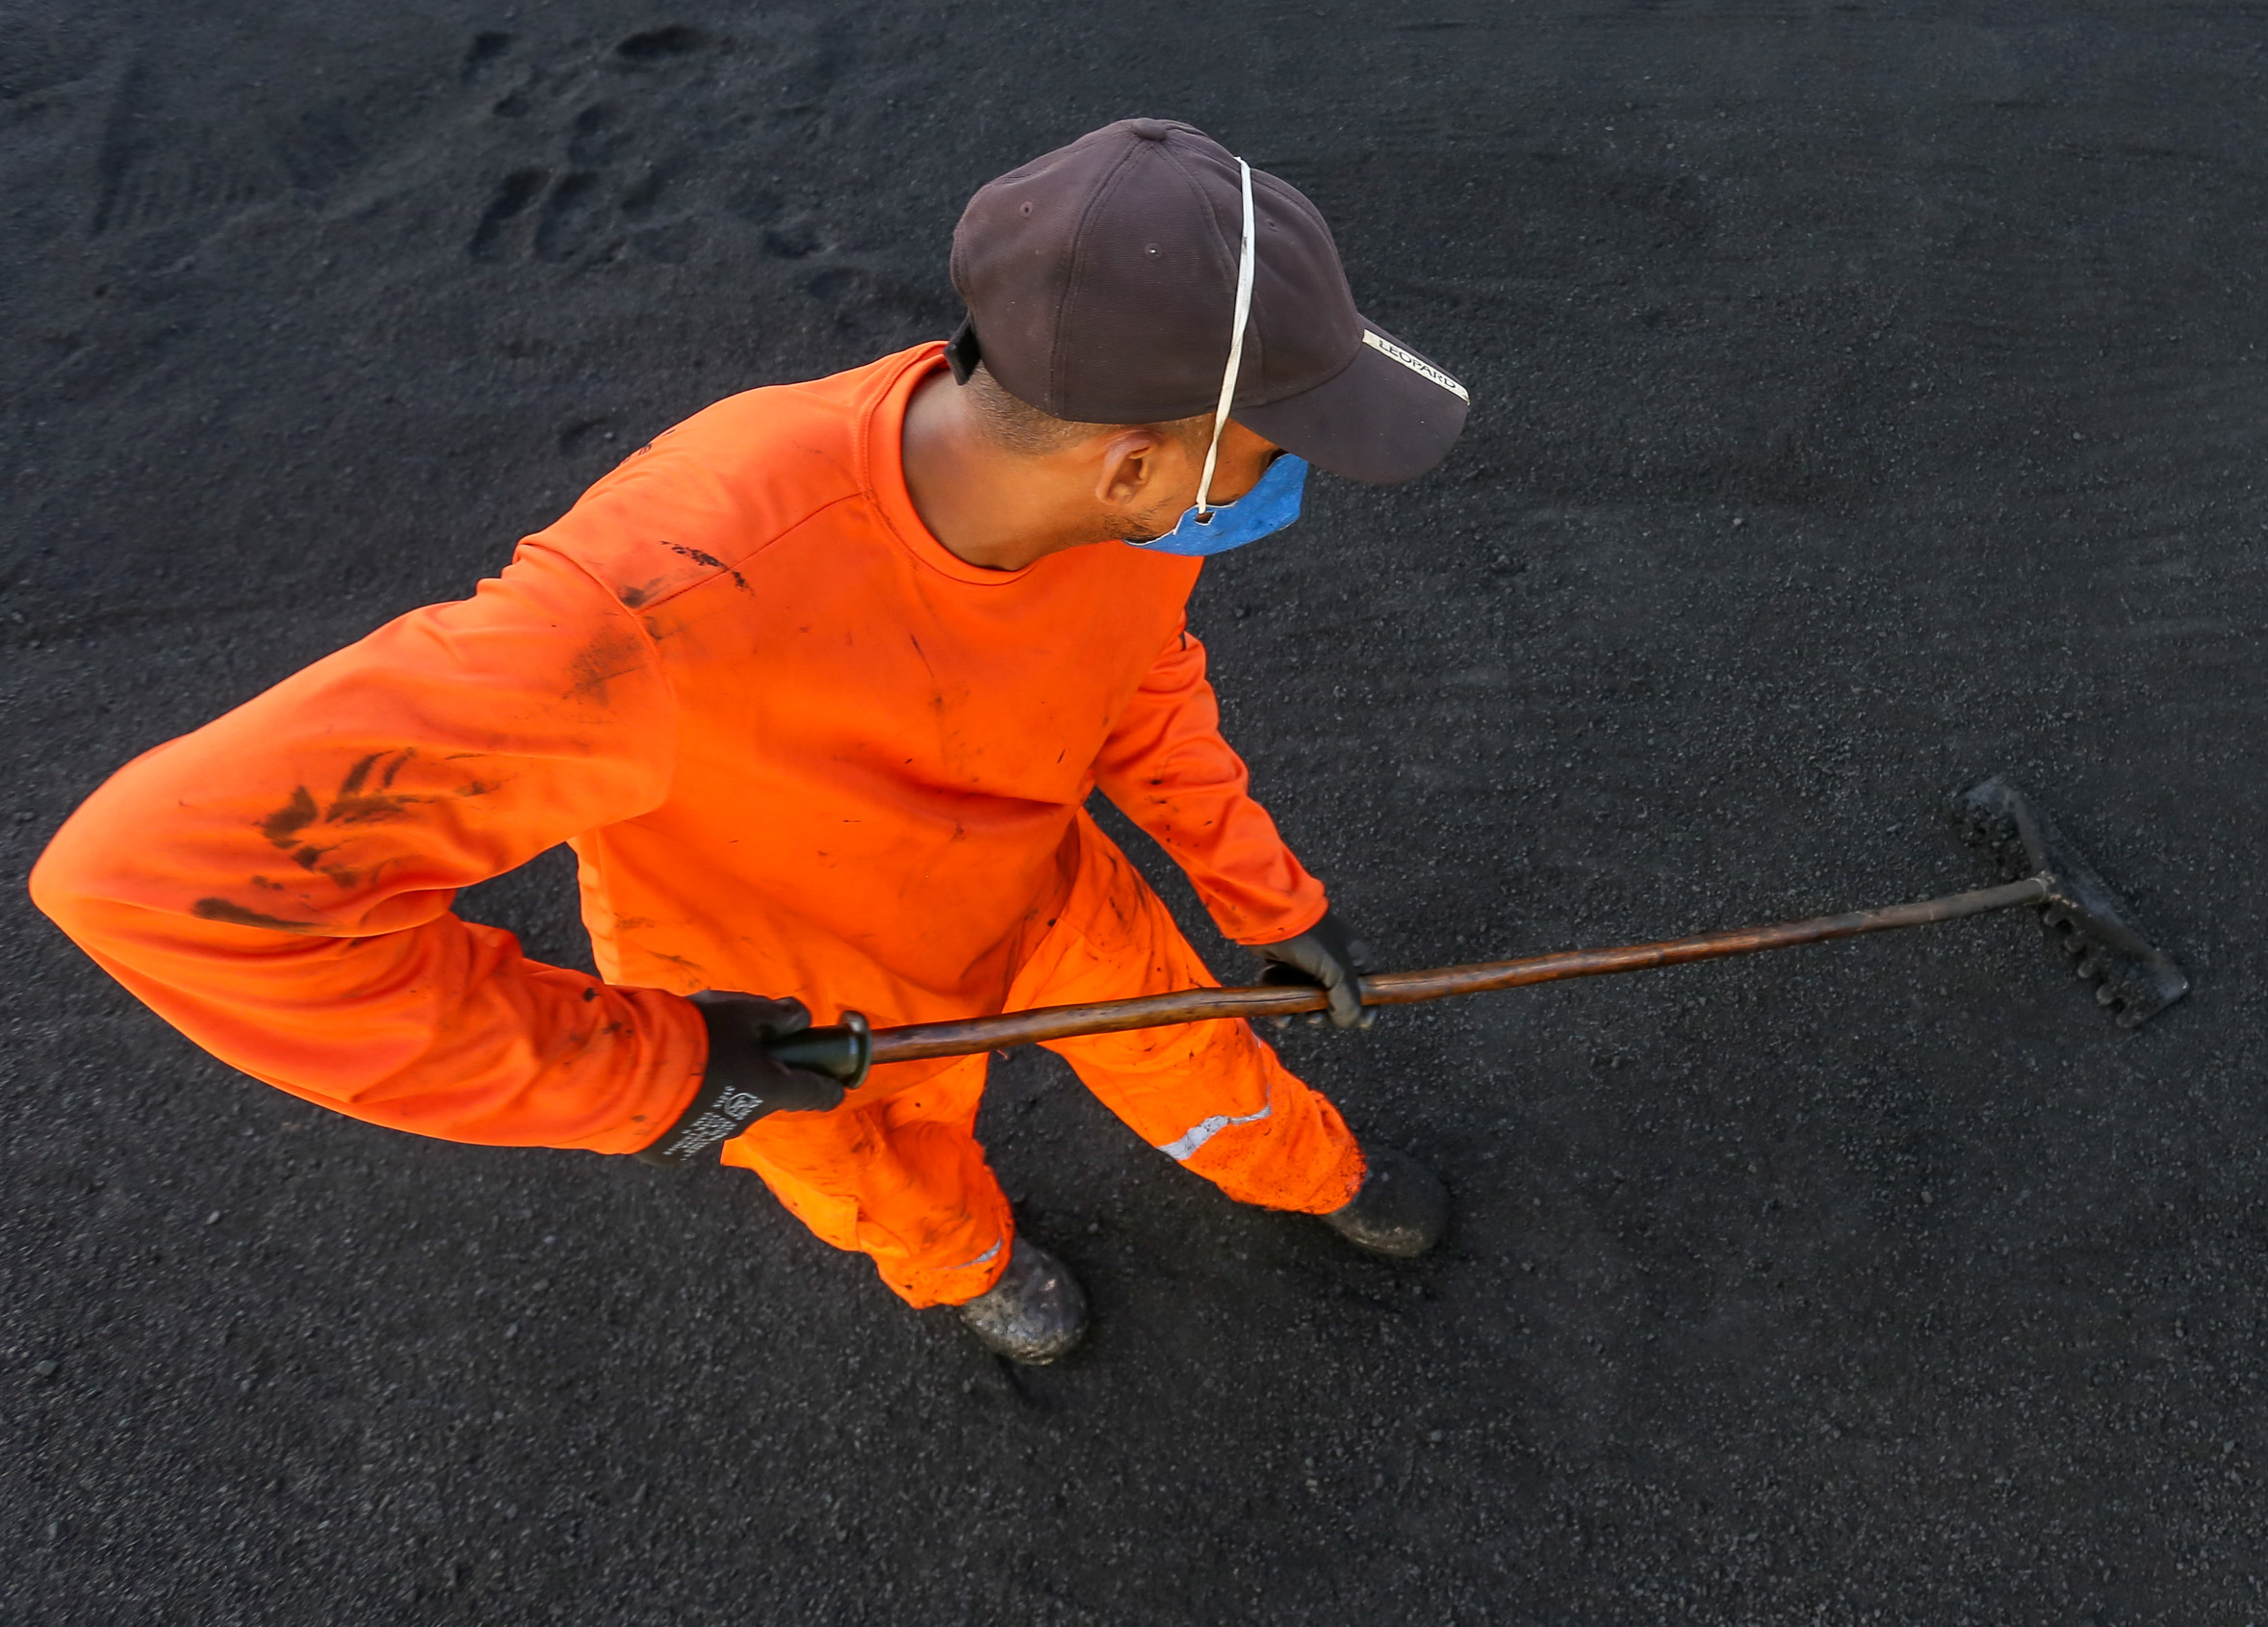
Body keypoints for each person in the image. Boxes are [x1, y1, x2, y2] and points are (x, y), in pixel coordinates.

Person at [27, 117, 1470, 1365]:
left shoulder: (1128, 500)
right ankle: (971, 1269)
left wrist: (1265, 897)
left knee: (1202, 1053)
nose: (1292, 479)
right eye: (1279, 449)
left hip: (1035, 882)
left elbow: (1137, 678)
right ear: (1137, 458)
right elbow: (148, 879)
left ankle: (1307, 1174)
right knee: (896, 1189)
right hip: (793, 1014)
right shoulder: (660, 602)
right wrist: (658, 1072)